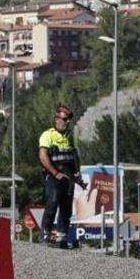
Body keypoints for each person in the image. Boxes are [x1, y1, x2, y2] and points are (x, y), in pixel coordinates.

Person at [38, 104, 84, 248]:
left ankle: (62, 237)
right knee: (52, 203)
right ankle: (45, 234)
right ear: (57, 119)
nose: (67, 122)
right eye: (65, 119)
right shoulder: (48, 135)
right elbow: (43, 156)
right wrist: (55, 173)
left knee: (66, 208)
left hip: (68, 177)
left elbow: (75, 155)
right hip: (54, 176)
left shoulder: (69, 136)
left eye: (69, 119)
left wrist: (77, 172)